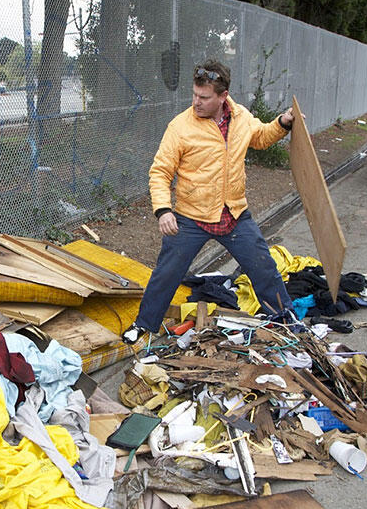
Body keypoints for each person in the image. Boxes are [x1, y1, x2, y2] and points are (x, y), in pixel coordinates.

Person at [122, 59, 297, 344]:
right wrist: (163, 210)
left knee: (263, 266)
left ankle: (285, 319)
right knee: (167, 273)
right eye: (194, 94)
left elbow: (262, 137)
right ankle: (144, 325)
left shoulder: (240, 118)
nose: (196, 102)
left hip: (234, 213)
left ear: (222, 97)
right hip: (191, 217)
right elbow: (160, 171)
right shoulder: (180, 127)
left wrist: (282, 123)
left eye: (204, 97)